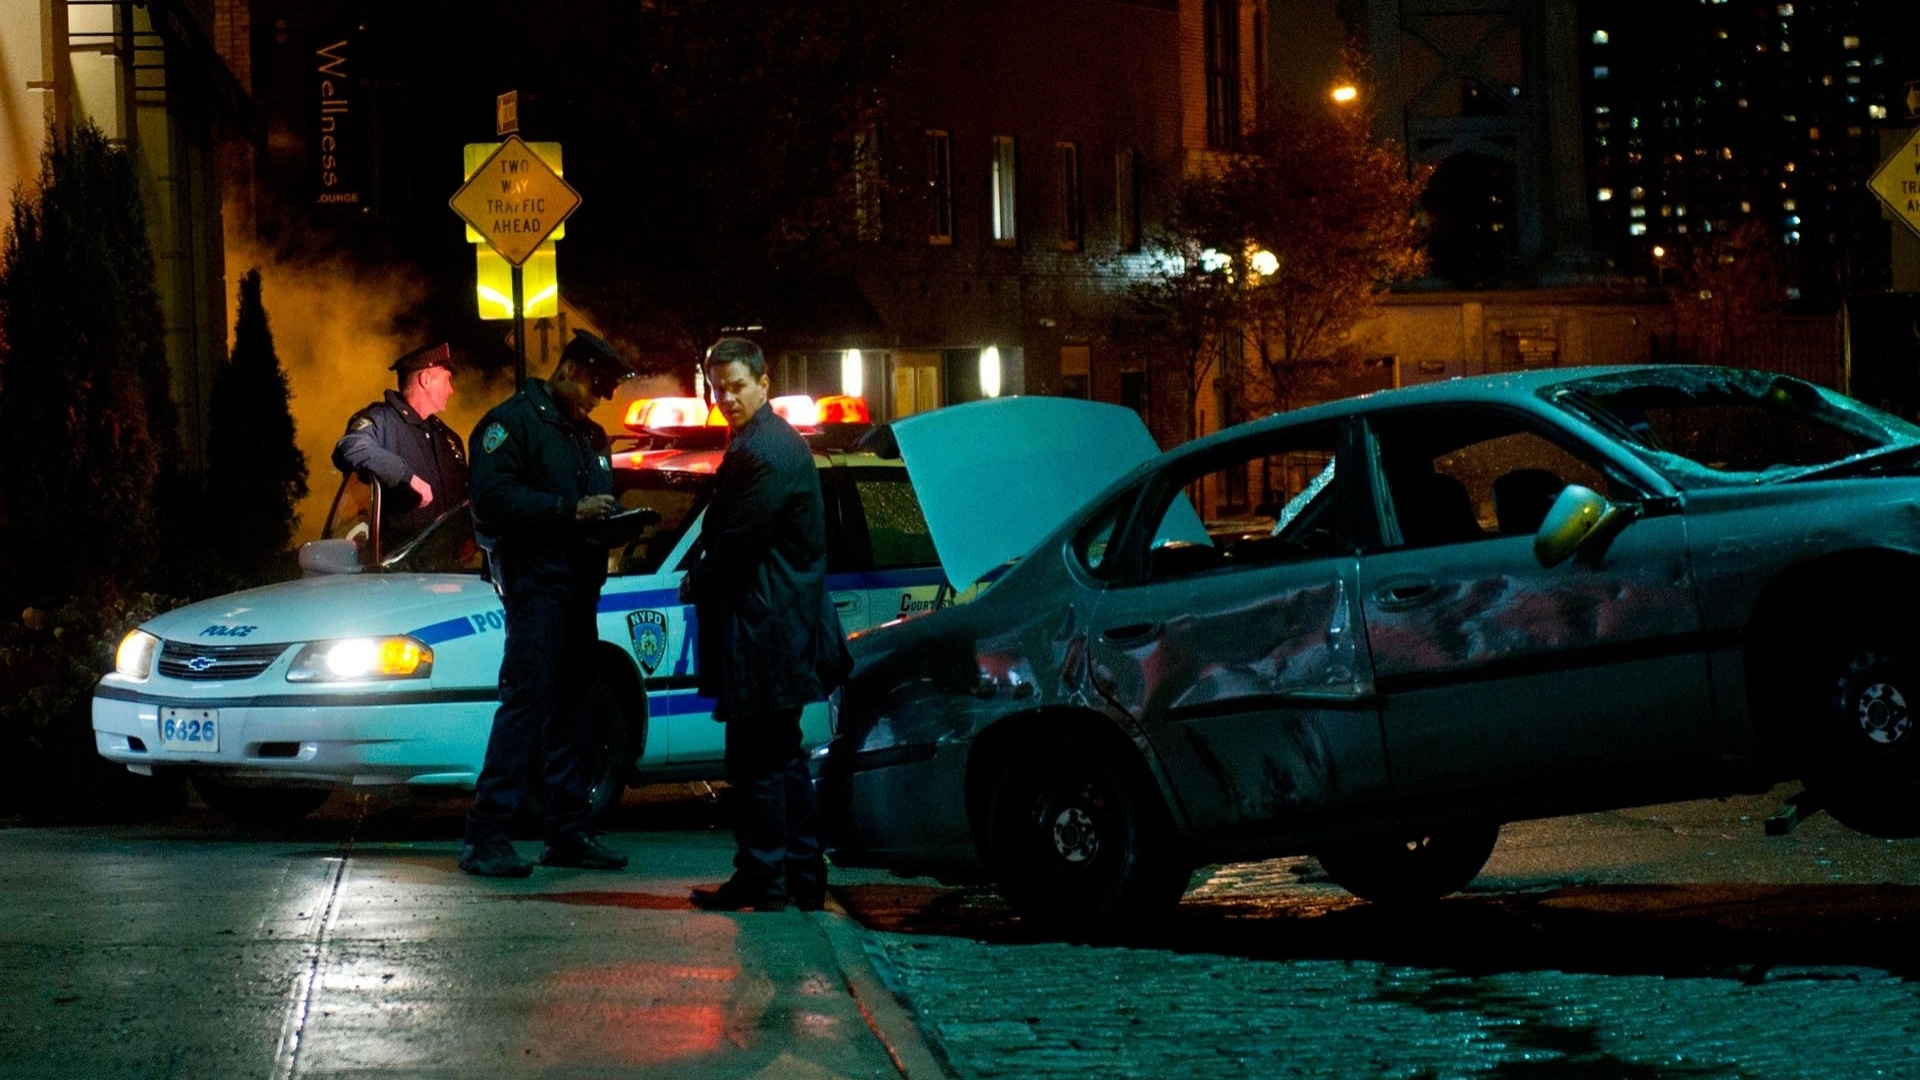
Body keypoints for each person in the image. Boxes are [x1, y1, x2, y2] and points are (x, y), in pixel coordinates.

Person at [458, 330, 637, 878]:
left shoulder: (589, 435)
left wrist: (613, 523)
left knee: (575, 710)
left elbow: (587, 504)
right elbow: (490, 500)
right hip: (536, 589)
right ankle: (487, 837)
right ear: (570, 371)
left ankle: (568, 832)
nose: (598, 399)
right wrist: (569, 512)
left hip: (580, 590)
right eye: (595, 386)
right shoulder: (512, 424)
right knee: (524, 707)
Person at [681, 337, 852, 912]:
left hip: (766, 626)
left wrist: (696, 580)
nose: (726, 398)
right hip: (778, 623)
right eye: (718, 389)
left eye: (736, 386)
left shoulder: (764, 451)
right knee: (780, 756)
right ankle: (797, 876)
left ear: (763, 383)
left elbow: (737, 544)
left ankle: (765, 878)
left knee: (758, 760)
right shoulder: (768, 443)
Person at [332, 341, 469, 550]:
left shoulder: (447, 438)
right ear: (425, 380)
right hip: (400, 566)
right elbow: (351, 447)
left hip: (452, 566)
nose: (451, 390)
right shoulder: (381, 421)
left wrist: (469, 536)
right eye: (447, 380)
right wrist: (406, 476)